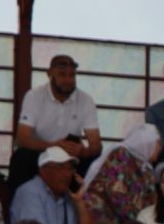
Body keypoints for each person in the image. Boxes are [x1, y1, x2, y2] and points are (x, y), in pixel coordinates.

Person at [11, 53, 100, 191]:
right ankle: (18, 208)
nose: (68, 80)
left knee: (95, 159)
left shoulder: (86, 100)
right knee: (21, 157)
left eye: (72, 75)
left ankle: (84, 209)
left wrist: (82, 152)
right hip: (40, 152)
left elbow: (96, 145)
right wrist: (54, 146)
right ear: (49, 74)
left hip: (70, 156)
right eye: (62, 75)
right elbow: (22, 138)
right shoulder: (34, 96)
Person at [81, 125, 161, 224]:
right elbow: (118, 197)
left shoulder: (145, 167)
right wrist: (142, 222)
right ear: (146, 143)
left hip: (130, 220)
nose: (160, 148)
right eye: (157, 144)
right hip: (105, 221)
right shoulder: (120, 156)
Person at [8, 146, 91, 224]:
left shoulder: (69, 196)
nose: (66, 174)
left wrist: (79, 202)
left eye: (69, 169)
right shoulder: (30, 192)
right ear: (43, 170)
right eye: (60, 168)